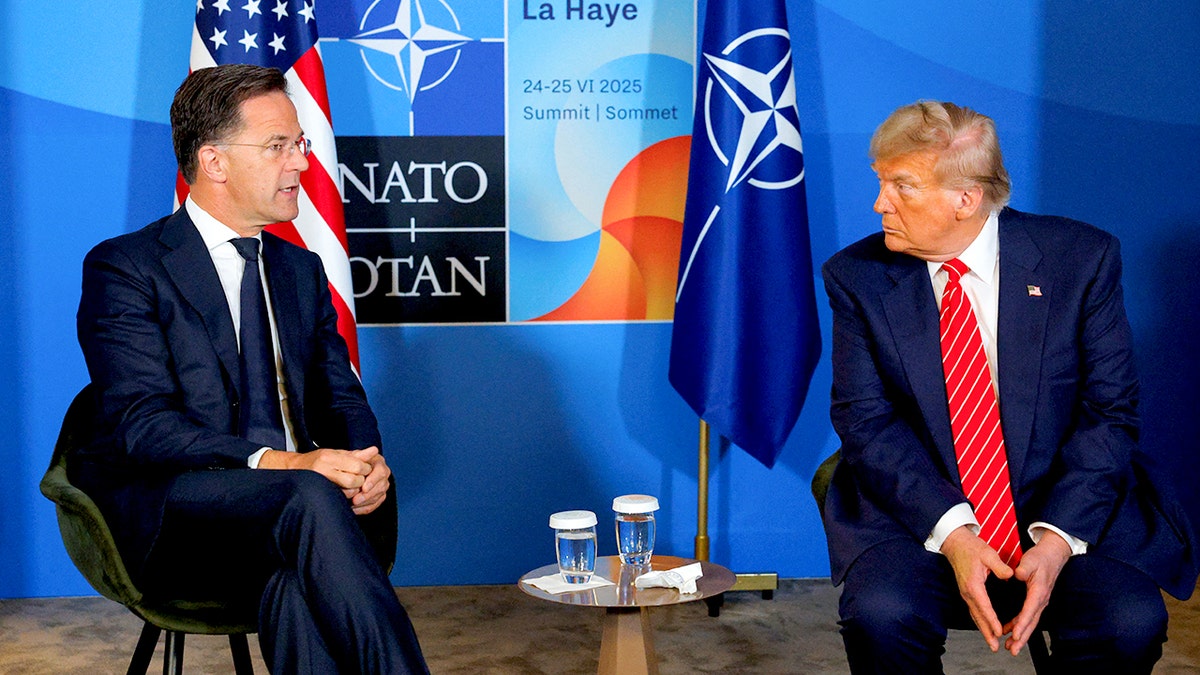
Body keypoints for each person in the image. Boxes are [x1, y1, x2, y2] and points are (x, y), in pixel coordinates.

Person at [819, 100, 1198, 673]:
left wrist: (1055, 540)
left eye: (902, 186)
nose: (879, 204)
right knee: (881, 613)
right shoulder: (858, 276)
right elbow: (865, 423)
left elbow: (1110, 413)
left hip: (1063, 505)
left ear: (965, 199)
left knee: (1129, 621)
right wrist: (955, 534)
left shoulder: (1081, 260)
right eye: (881, 183)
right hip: (922, 513)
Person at [73, 64, 428, 673]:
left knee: (294, 583)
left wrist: (365, 458)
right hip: (182, 517)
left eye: (300, 144)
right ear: (214, 162)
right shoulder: (127, 268)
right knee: (309, 495)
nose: (302, 165)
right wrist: (286, 464)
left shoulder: (301, 271)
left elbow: (341, 398)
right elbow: (144, 427)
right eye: (278, 147)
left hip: (300, 518)